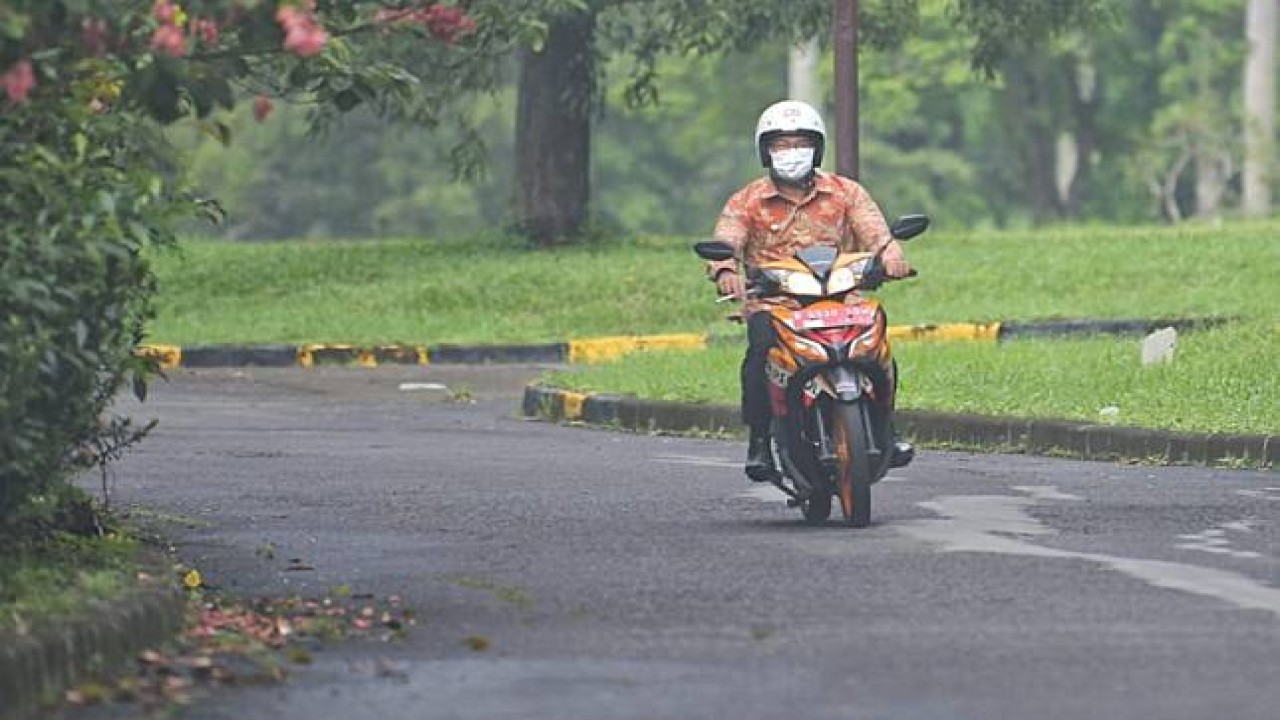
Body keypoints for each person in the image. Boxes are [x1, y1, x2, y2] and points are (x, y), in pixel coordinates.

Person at [705, 99, 914, 482]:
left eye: (800, 143)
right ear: (765, 151)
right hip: (776, 305)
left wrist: (892, 256)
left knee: (877, 348)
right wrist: (725, 271)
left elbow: (877, 234)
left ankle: (887, 427)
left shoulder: (846, 193)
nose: (791, 151)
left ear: (816, 148)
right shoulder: (747, 201)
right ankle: (759, 442)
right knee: (759, 353)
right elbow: (726, 241)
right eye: (781, 144)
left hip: (843, 299)